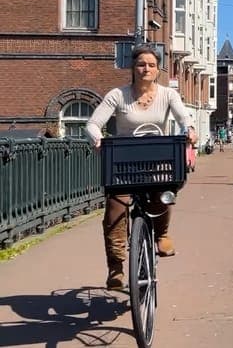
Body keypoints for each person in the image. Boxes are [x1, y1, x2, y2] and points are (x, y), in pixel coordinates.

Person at [85, 45, 197, 290]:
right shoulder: (118, 95)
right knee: (114, 211)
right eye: (141, 64)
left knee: (165, 193)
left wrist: (189, 130)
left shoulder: (168, 95)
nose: (146, 68)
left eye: (151, 65)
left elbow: (183, 118)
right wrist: (97, 139)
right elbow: (93, 124)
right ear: (133, 68)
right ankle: (116, 267)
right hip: (124, 164)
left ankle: (162, 234)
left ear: (158, 70)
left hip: (157, 161)